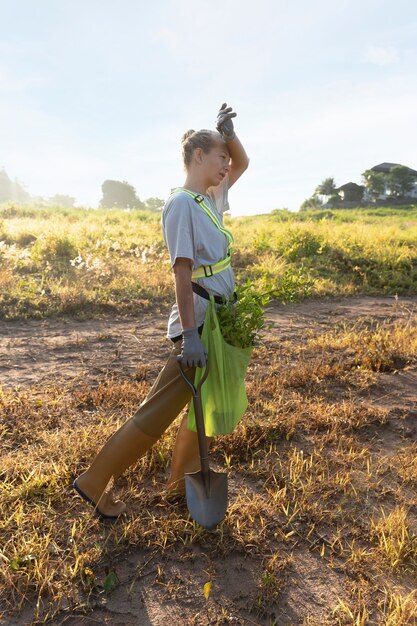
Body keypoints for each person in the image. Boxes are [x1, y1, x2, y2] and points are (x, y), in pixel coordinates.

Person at [72, 103, 249, 519]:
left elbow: (244, 161)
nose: (227, 164)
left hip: (219, 320)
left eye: (227, 157)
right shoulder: (181, 204)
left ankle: (181, 476)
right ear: (197, 156)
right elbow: (182, 273)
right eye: (219, 155)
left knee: (205, 404)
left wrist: (229, 133)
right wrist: (189, 335)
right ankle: (95, 480)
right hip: (199, 323)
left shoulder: (210, 200)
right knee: (157, 411)